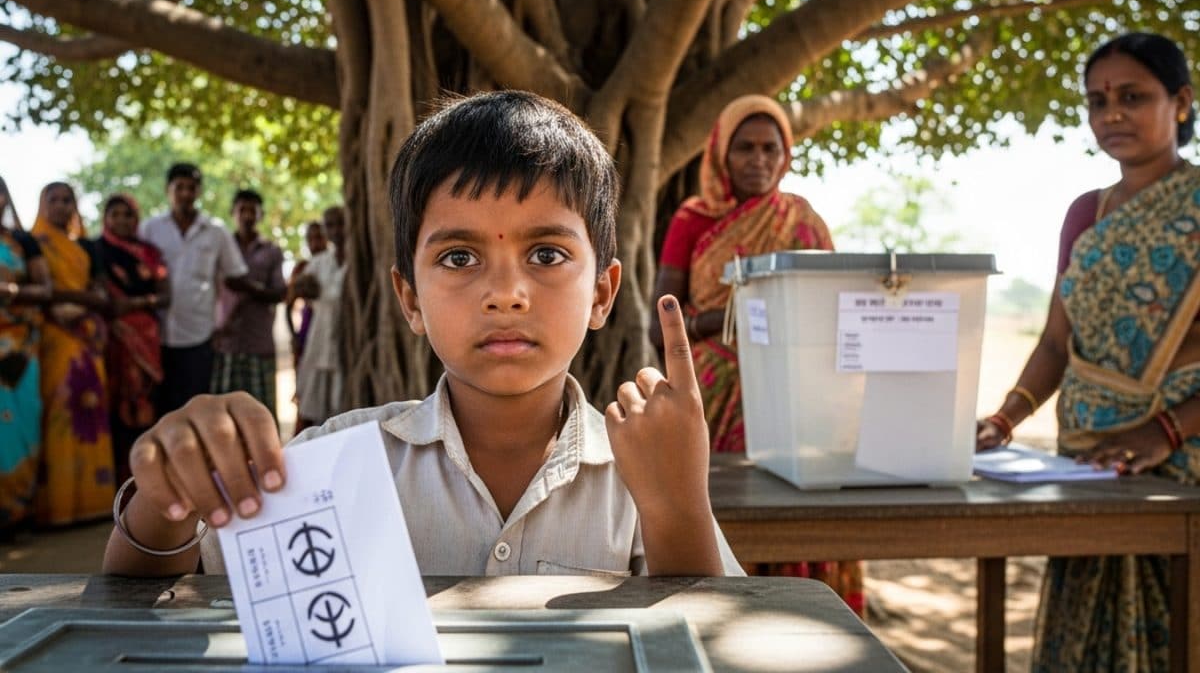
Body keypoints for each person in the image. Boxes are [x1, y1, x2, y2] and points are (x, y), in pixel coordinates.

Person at [101, 90, 744, 581]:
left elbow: (713, 642)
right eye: (459, 258)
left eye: (547, 254)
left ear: (602, 293)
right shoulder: (333, 461)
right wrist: (165, 500)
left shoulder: (643, 475)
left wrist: (679, 506)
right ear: (409, 297)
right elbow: (150, 598)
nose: (506, 292)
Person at [976, 32, 1198, 672]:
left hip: (1182, 462)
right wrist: (1005, 419)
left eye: (1133, 96)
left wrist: (1164, 433)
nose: (1112, 114)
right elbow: (1055, 341)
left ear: (1180, 102)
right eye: (1097, 101)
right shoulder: (1086, 214)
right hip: (1091, 460)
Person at [649, 94, 864, 615]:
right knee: (726, 518)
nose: (759, 159)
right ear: (721, 153)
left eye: (771, 148)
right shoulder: (692, 219)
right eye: (744, 147)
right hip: (714, 395)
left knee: (800, 508)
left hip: (796, 395)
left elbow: (831, 308)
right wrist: (728, 321)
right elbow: (662, 323)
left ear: (787, 155)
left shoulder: (801, 219)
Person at [139, 163, 258, 416]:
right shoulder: (150, 229)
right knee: (160, 410)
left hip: (199, 337)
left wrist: (226, 324)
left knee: (196, 410)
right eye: (178, 187)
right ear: (167, 190)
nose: (184, 193)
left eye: (191, 188)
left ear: (199, 192)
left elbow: (236, 278)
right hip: (156, 336)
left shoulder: (215, 232)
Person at [30, 182, 115, 526]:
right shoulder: (34, 243)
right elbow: (45, 295)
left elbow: (97, 291)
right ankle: (60, 506)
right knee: (62, 413)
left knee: (92, 410)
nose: (62, 206)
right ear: (42, 203)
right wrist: (85, 304)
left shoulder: (82, 248)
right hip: (56, 337)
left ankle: (91, 503)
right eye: (54, 199)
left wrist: (89, 304)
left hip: (87, 341)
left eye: (68, 200)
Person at [94, 194, 170, 484]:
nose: (122, 221)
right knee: (117, 404)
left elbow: (166, 296)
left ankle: (148, 479)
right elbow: (102, 296)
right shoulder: (97, 250)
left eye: (128, 215)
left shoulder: (150, 253)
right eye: (115, 214)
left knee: (148, 402)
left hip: (148, 339)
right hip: (113, 339)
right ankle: (120, 480)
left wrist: (135, 304)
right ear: (106, 218)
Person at [0, 176, 51, 534]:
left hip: (21, 350)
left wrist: (13, 290)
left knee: (21, 425)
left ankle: (17, 511)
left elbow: (46, 290)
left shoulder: (23, 242)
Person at [211, 190, 286, 422]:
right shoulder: (220, 247)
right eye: (242, 209)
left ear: (260, 215)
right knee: (223, 417)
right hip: (226, 342)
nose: (247, 215)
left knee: (261, 415)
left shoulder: (271, 251)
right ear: (233, 213)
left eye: (252, 210)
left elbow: (280, 292)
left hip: (258, 343)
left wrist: (247, 286)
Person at [291, 207, 346, 434]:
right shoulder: (320, 263)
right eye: (329, 225)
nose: (335, 230)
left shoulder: (361, 261)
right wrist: (296, 336)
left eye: (339, 223)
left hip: (347, 346)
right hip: (319, 342)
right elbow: (294, 295)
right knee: (315, 414)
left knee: (344, 408)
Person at [285, 220, 327, 370]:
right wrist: (294, 336)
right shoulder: (302, 268)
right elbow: (288, 306)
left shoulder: (336, 266)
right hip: (308, 326)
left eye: (319, 237)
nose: (315, 244)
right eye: (311, 239)